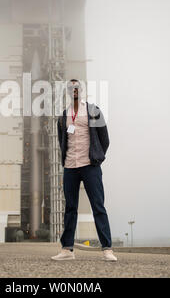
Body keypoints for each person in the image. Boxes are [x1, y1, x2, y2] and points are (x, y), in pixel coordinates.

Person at [51, 79, 117, 262]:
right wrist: (65, 161)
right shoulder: (64, 116)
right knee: (70, 208)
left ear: (82, 91)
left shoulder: (93, 111)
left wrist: (97, 157)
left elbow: (105, 138)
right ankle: (67, 250)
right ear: (67, 92)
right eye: (71, 88)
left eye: (77, 87)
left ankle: (107, 249)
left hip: (90, 166)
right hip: (71, 166)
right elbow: (62, 140)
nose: (74, 90)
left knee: (98, 206)